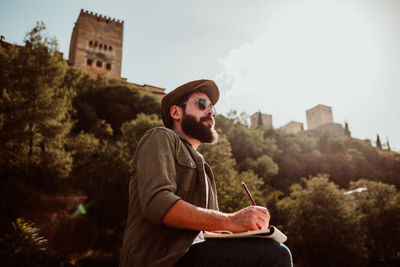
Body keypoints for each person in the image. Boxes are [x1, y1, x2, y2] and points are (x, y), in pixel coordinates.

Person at [119, 79, 292, 267]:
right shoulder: (160, 136)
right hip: (164, 260)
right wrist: (232, 220)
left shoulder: (204, 167)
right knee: (274, 255)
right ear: (176, 112)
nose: (210, 111)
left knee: (266, 246)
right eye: (201, 104)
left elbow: (206, 231)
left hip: (196, 254)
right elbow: (157, 203)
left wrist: (245, 229)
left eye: (212, 108)